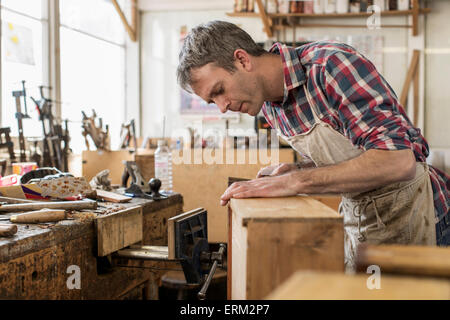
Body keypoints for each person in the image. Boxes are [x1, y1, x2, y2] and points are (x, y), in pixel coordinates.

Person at [176, 20, 449, 269]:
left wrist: (296, 182)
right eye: (213, 102)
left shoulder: (330, 67)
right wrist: (295, 169)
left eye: (219, 90)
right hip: (363, 221)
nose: (223, 108)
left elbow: (399, 161)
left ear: (242, 59)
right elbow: (351, 153)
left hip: (420, 218)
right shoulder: (269, 106)